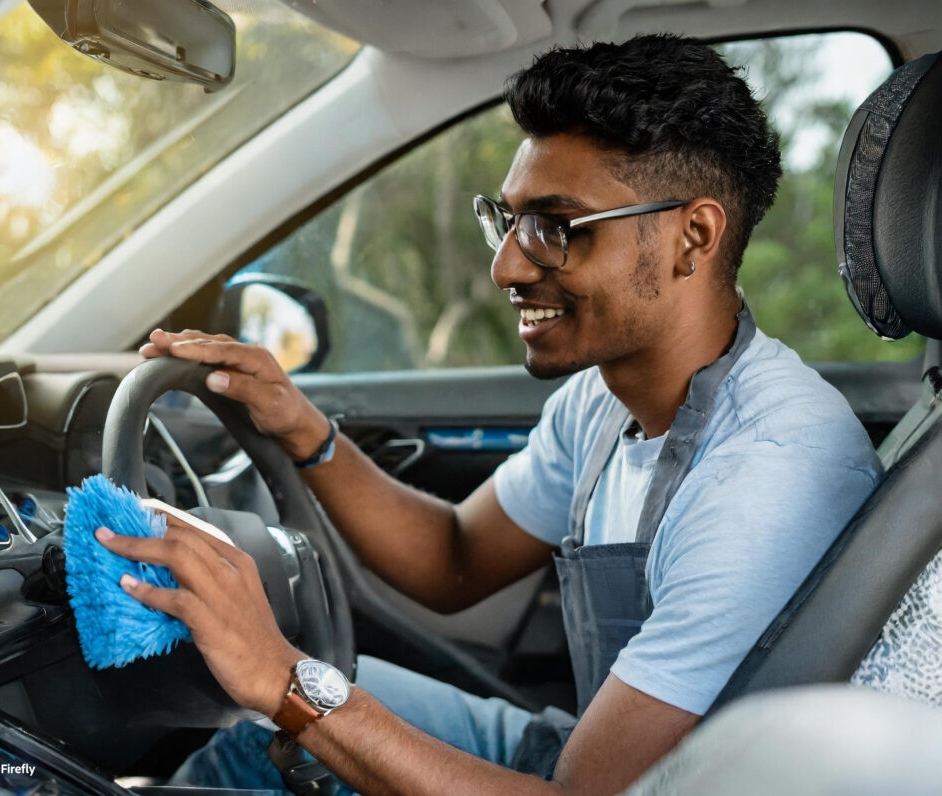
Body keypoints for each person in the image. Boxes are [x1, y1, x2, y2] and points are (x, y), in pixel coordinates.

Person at [96, 34, 882, 794]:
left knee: (286, 701)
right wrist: (301, 426)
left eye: (554, 228)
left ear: (692, 237)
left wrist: (280, 675)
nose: (507, 265)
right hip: (585, 757)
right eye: (506, 221)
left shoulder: (767, 472)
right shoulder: (603, 401)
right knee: (254, 727)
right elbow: (453, 558)